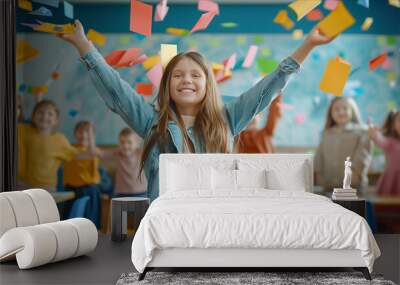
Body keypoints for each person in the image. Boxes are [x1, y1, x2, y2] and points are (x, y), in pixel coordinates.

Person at [58, 20, 335, 201]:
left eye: (195, 75)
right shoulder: (151, 121)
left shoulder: (230, 116)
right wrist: (84, 45)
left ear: (207, 83)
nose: (186, 80)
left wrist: (308, 44)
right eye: (177, 75)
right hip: (169, 216)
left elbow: (269, 86)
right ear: (167, 84)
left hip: (218, 212)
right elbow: (116, 90)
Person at [17, 100, 96, 191]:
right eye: (40, 112)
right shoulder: (22, 129)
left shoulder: (59, 140)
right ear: (33, 116)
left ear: (55, 120)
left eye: (50, 114)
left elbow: (89, 153)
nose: (44, 116)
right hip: (20, 186)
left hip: (46, 189)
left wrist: (90, 131)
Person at [314, 97, 371, 192]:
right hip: (328, 187)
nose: (341, 112)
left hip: (354, 188)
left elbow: (362, 159)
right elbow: (319, 158)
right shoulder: (326, 133)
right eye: (336, 109)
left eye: (345, 108)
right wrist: (320, 178)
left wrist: (352, 179)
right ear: (331, 113)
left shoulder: (362, 132)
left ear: (352, 111)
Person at [63, 121, 102, 227]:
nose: (84, 135)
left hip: (90, 189)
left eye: (87, 132)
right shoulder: (71, 149)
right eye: (80, 132)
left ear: (92, 136)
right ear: (75, 133)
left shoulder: (95, 150)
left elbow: (93, 152)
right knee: (71, 221)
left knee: (89, 220)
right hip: (72, 189)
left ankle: (92, 229)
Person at [97, 128, 147, 197]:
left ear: (137, 144)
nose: (125, 146)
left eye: (129, 142)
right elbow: (100, 154)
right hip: (121, 193)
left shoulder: (141, 153)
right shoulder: (118, 153)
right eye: (122, 142)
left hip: (141, 192)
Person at [368, 111, 400, 196]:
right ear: (393, 125)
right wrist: (374, 133)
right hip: (392, 178)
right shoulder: (391, 141)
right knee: (389, 206)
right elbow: (380, 140)